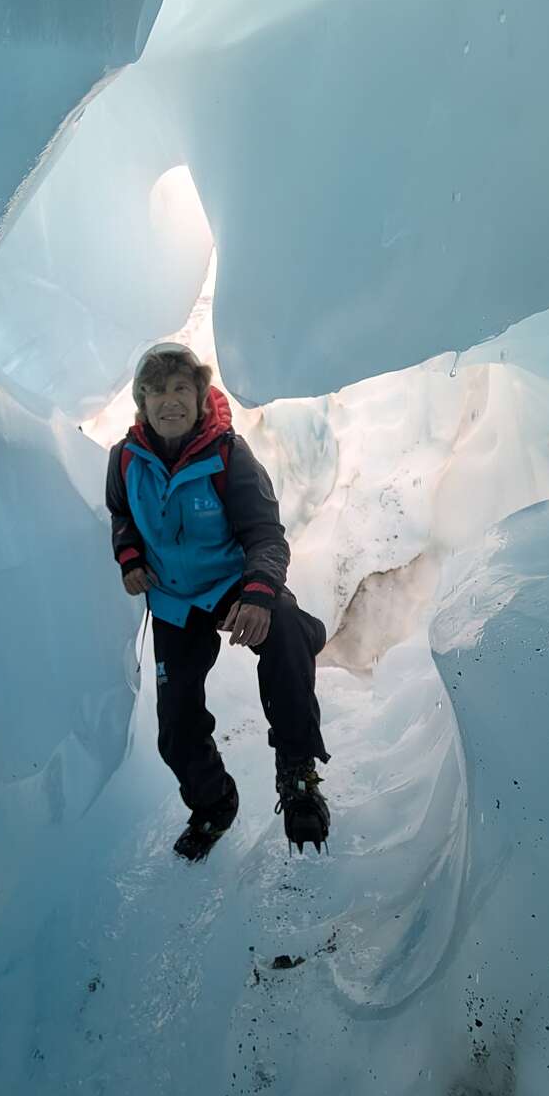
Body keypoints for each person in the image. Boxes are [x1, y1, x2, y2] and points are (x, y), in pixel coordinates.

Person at [105, 342, 331, 860]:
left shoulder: (229, 454)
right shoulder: (125, 461)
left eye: (181, 388)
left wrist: (256, 596)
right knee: (176, 729)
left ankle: (297, 773)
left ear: (201, 396)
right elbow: (121, 515)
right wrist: (130, 556)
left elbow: (267, 535)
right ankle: (214, 803)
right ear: (142, 400)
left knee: (288, 630)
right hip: (174, 602)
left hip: (232, 581)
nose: (170, 401)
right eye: (157, 390)